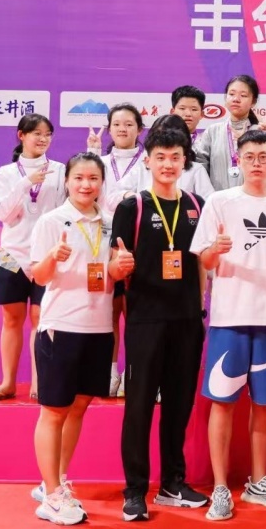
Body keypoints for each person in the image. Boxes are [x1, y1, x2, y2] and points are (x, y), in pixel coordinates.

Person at [191, 130, 266, 521]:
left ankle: (258, 482)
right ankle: (221, 488)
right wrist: (215, 250)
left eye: (263, 156)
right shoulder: (220, 201)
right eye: (249, 156)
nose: (256, 162)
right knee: (223, 404)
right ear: (238, 161)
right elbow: (204, 260)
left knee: (265, 405)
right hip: (229, 319)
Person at [111, 125, 209, 522]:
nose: (168, 164)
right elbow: (113, 267)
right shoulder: (131, 207)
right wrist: (118, 266)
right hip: (146, 321)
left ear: (185, 161)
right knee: (138, 408)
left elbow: (201, 265)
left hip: (187, 321)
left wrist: (199, 309)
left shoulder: (198, 205)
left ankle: (172, 483)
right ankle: (135, 490)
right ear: (148, 161)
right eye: (161, 157)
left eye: (175, 157)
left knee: (179, 406)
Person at [28, 153, 117, 525]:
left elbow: (111, 273)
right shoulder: (51, 221)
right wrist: (53, 257)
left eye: (93, 178)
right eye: (79, 177)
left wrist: (119, 268)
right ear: (67, 181)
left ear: (101, 182)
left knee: (79, 406)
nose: (86, 185)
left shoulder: (110, 223)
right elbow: (38, 276)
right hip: (61, 326)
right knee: (54, 410)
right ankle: (51, 496)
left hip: (99, 327)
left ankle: (56, 480)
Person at [0, 113, 65, 403]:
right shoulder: (6, 174)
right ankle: (7, 383)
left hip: (46, 256)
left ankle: (40, 383)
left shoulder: (60, 170)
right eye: (36, 133)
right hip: (11, 256)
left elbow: (65, 210)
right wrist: (25, 183)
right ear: (21, 135)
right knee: (11, 319)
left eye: (47, 134)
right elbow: (4, 214)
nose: (43, 139)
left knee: (41, 318)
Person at [89, 103, 145, 397]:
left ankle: (132, 372)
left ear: (140, 129)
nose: (123, 129)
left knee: (133, 312)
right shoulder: (100, 161)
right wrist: (92, 154)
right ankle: (109, 372)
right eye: (117, 124)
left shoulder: (148, 161)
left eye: (129, 124)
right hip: (100, 243)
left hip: (136, 242)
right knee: (106, 311)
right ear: (109, 128)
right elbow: (89, 195)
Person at [194, 74, 265, 191]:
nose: (236, 99)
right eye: (231, 94)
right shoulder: (213, 131)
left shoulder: (260, 133)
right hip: (217, 198)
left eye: (243, 95)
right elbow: (201, 168)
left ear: (253, 101)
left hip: (252, 198)